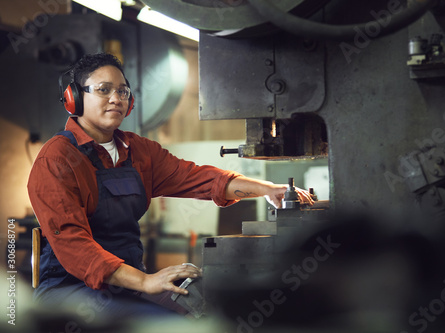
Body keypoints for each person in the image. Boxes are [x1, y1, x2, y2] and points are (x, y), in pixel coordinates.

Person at [27, 53, 313, 321]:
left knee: (207, 313)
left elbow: (195, 177)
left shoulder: (138, 150)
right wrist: (145, 281)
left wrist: (265, 189)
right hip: (71, 287)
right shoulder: (57, 158)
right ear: (74, 98)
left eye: (123, 91)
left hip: (128, 283)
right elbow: (75, 248)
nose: (116, 98)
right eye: (103, 89)